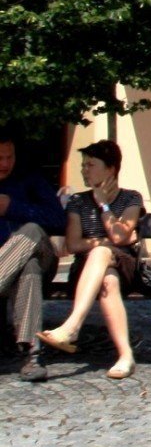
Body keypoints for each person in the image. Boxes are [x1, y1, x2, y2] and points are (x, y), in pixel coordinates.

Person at [37, 139, 145, 378]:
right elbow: (73, 244)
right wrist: (112, 242)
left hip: (126, 267)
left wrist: (104, 205)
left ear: (111, 169)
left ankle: (72, 326)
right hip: (86, 272)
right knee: (108, 279)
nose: (84, 170)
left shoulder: (131, 198)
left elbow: (119, 233)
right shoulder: (78, 201)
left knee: (101, 254)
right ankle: (126, 356)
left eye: (90, 165)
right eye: (83, 165)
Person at [0, 134, 65, 382]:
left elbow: (58, 220)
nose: (5, 163)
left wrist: (13, 207)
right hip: (17, 269)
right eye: (0, 158)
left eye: (9, 157)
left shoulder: (29, 180)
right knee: (29, 269)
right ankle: (31, 355)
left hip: (43, 252)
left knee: (31, 230)